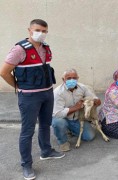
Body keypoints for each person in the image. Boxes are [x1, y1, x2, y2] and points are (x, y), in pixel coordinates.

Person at [0, 19, 64, 180]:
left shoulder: (46, 48)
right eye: (37, 30)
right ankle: (26, 165)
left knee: (45, 124)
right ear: (29, 30)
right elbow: (4, 72)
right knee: (27, 131)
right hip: (29, 96)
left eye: (44, 31)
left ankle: (46, 151)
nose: (41, 33)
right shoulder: (19, 50)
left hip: (47, 93)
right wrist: (17, 85)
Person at [52, 68, 101, 152]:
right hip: (64, 118)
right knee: (58, 122)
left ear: (77, 78)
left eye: (74, 78)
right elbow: (57, 114)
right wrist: (75, 107)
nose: (72, 80)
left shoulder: (82, 88)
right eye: (68, 78)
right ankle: (62, 141)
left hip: (77, 119)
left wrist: (96, 101)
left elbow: (93, 97)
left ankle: (71, 130)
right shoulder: (57, 92)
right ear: (63, 79)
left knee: (90, 136)